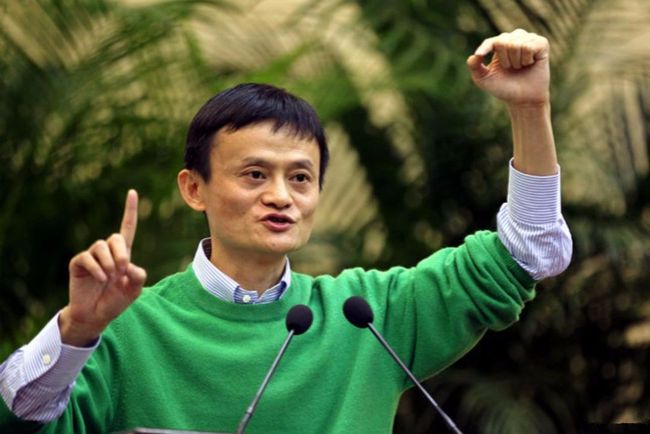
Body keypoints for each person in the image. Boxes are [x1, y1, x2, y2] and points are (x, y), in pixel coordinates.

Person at [0, 29, 572, 433]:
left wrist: (530, 109)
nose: (281, 196)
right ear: (194, 188)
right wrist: (77, 329)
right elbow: (17, 417)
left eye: (300, 177)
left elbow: (529, 251)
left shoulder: (370, 315)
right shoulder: (126, 328)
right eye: (254, 174)